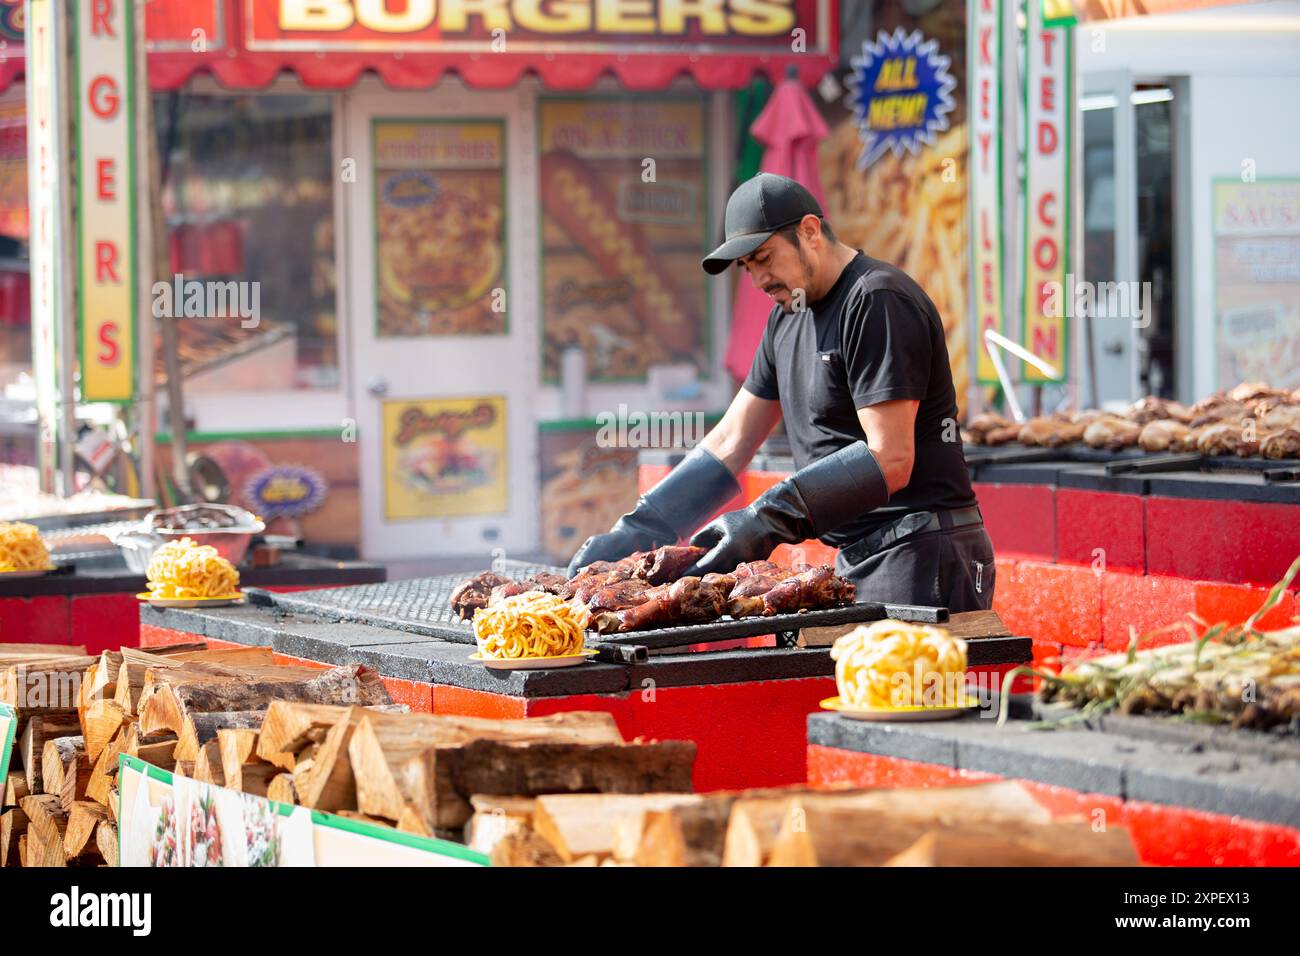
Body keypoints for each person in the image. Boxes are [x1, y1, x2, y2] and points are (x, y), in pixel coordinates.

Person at [567, 173, 994, 612]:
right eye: (747, 267)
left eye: (764, 257)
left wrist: (767, 518)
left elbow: (892, 458)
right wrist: (642, 526)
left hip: (923, 550)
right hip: (857, 558)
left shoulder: (876, 300)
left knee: (905, 684)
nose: (758, 279)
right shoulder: (786, 317)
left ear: (810, 232)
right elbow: (732, 442)